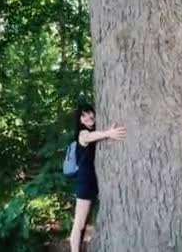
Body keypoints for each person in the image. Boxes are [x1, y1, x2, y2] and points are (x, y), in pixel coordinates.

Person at [69, 102, 126, 252]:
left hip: (96, 182)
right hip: (85, 183)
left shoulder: (95, 130)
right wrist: (109, 133)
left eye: (89, 113)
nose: (88, 117)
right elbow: (89, 136)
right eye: (83, 115)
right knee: (79, 223)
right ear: (80, 121)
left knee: (87, 222)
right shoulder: (82, 133)